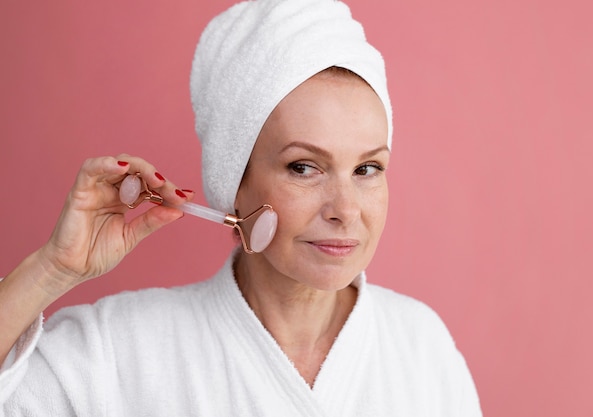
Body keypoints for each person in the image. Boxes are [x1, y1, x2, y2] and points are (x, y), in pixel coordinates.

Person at [0, 0, 482, 415]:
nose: (346, 210)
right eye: (303, 167)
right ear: (236, 182)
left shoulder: (422, 348)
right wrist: (51, 271)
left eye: (367, 169)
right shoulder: (114, 353)